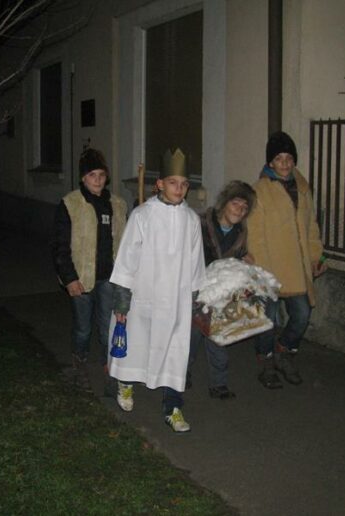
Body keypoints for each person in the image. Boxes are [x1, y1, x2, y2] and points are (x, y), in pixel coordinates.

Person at [108, 148, 205, 433]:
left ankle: (172, 407)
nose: (179, 189)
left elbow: (196, 261)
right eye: (173, 182)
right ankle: (125, 383)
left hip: (176, 302)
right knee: (137, 344)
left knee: (175, 352)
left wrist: (195, 298)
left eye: (184, 184)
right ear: (160, 183)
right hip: (143, 297)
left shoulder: (191, 220)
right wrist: (122, 300)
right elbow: (127, 260)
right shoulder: (142, 215)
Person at [247, 131, 326, 389]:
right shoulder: (260, 190)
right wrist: (263, 273)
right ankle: (266, 362)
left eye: (289, 158)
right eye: (279, 158)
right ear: (270, 162)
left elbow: (311, 226)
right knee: (268, 320)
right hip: (269, 267)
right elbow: (255, 235)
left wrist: (316, 256)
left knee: (302, 314)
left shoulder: (302, 188)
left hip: (296, 267)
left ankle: (284, 352)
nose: (284, 163)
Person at [52, 148, 127, 388]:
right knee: (83, 328)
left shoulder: (117, 204)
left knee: (107, 326)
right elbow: (60, 245)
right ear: (83, 178)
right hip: (81, 278)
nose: (97, 180)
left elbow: (124, 243)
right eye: (92, 175)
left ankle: (109, 367)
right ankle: (79, 362)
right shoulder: (71, 204)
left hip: (109, 278)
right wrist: (69, 278)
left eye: (101, 175)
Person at [187, 180, 257, 399]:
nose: (240, 210)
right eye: (236, 203)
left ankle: (218, 384)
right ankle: (181, 373)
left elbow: (237, 258)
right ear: (224, 203)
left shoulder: (240, 232)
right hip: (196, 290)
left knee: (218, 337)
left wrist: (244, 262)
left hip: (220, 294)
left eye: (244, 207)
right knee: (191, 337)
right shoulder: (200, 224)